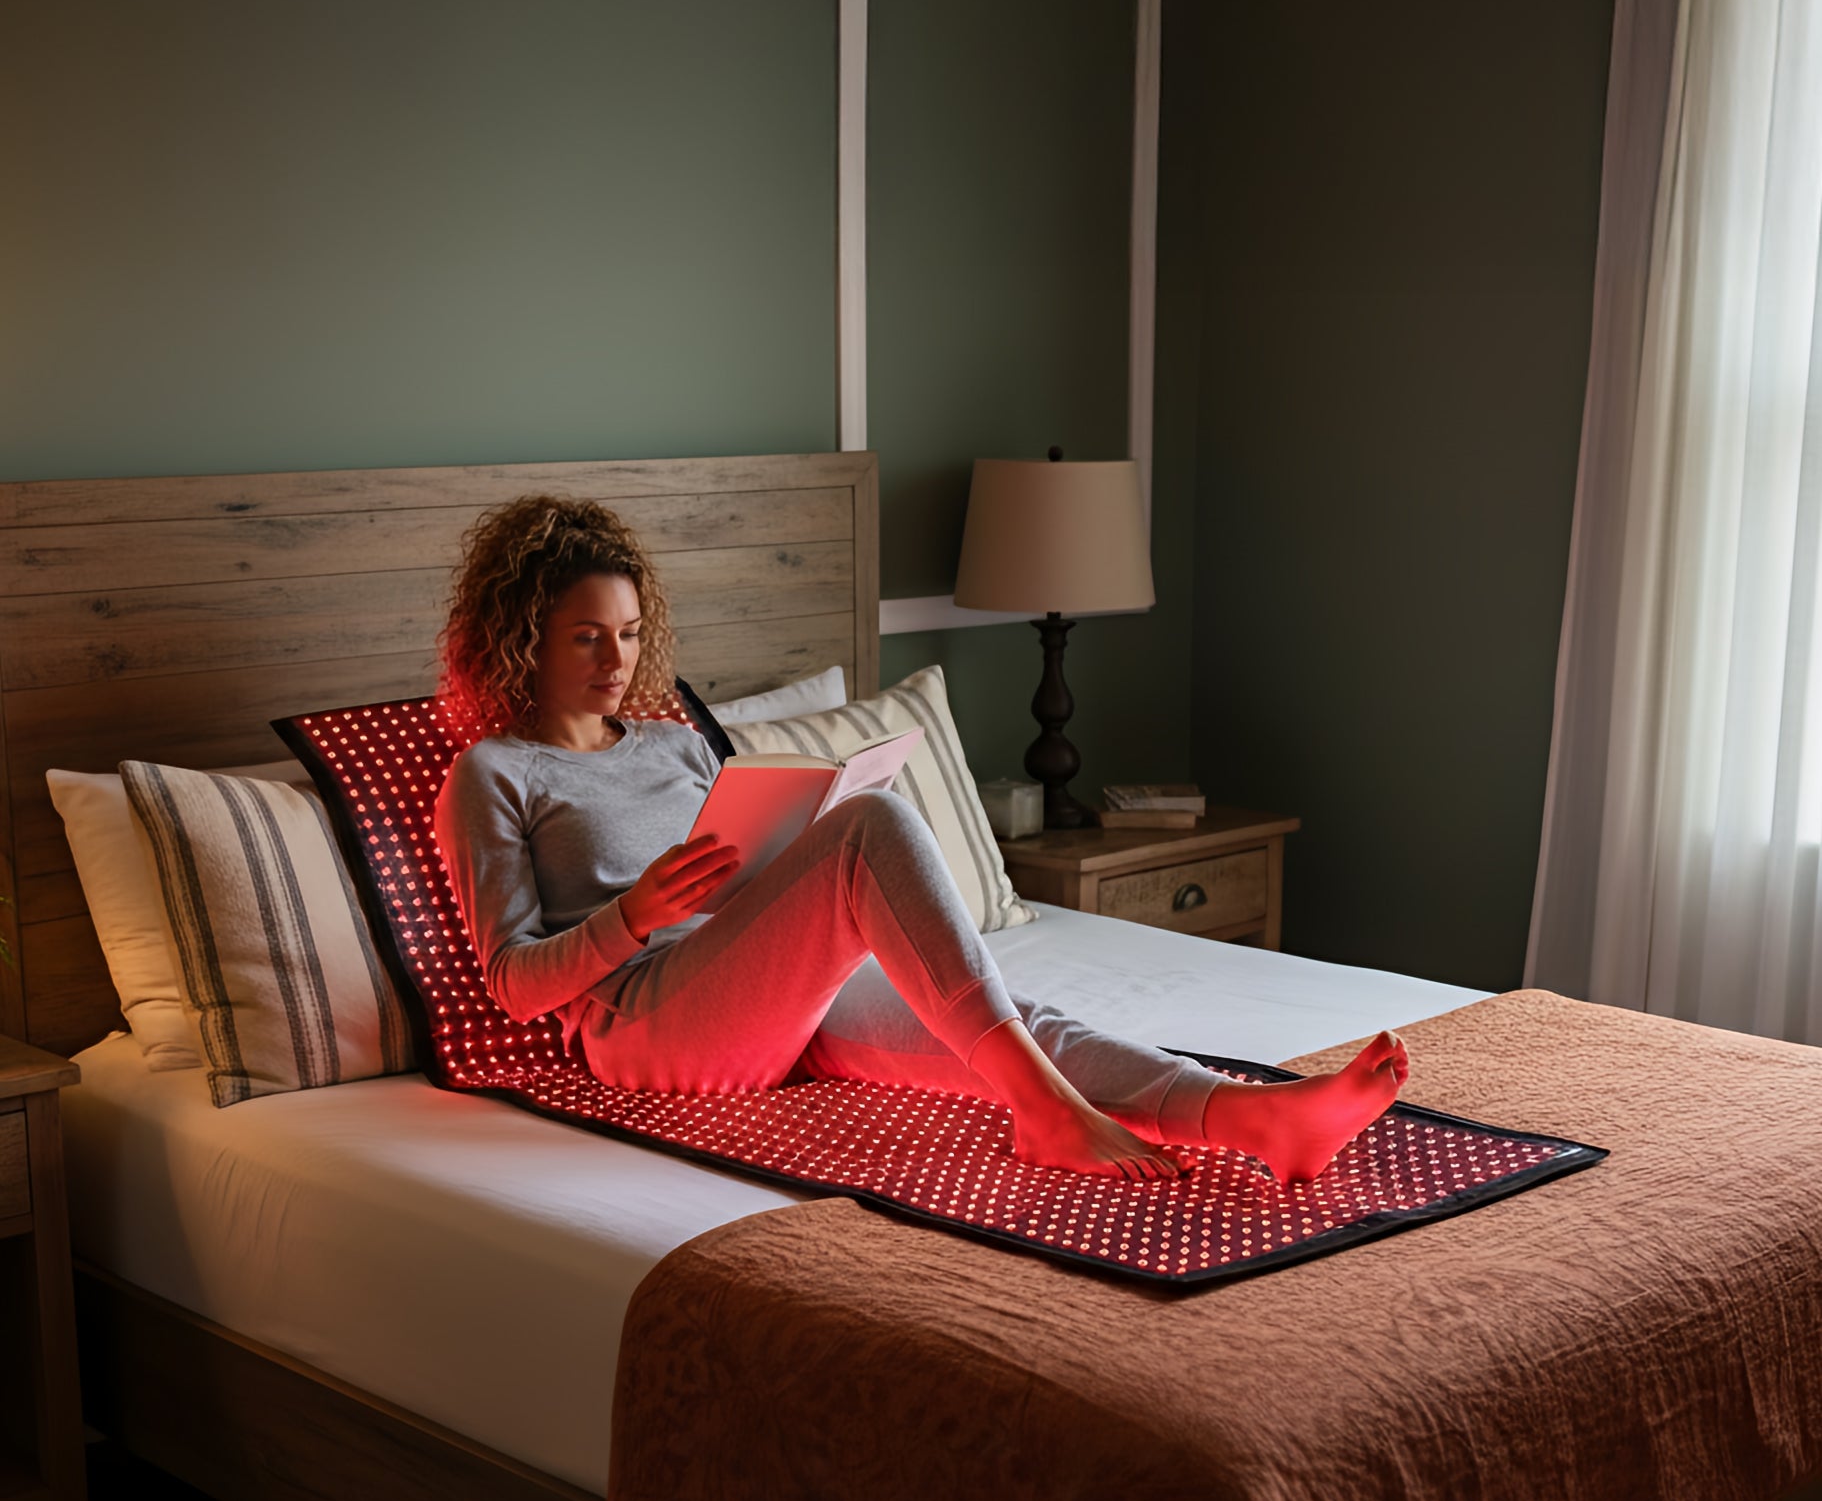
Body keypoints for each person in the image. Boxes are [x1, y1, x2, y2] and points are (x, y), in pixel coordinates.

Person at [433, 495, 1409, 1184]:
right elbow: (515, 984)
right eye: (587, 637)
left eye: (633, 633)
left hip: (764, 993)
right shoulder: (494, 775)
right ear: (523, 638)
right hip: (647, 1026)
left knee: (1002, 1023)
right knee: (874, 828)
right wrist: (637, 913)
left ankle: (1258, 1118)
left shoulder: (671, 741)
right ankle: (1049, 1114)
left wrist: (781, 853)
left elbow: (737, 882)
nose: (619, 659)